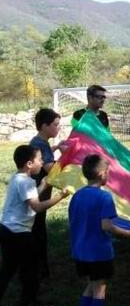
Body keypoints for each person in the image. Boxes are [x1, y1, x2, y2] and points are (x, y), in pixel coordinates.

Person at [69, 154, 130, 306]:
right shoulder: (104, 197)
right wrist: (128, 234)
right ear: (101, 174)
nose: (109, 175)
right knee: (100, 288)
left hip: (80, 252)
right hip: (99, 252)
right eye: (108, 172)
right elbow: (106, 226)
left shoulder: (77, 196)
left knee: (90, 286)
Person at [0, 145, 69, 306]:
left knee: (8, 268)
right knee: (31, 267)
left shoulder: (18, 178)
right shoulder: (26, 182)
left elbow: (29, 201)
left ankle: (24, 300)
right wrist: (60, 197)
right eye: (40, 160)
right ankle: (30, 302)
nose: (42, 162)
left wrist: (43, 186)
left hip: (7, 229)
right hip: (19, 233)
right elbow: (36, 207)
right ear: (30, 163)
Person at [29, 108, 68, 279]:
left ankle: (37, 268)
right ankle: (39, 270)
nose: (58, 128)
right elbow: (50, 169)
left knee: (37, 231)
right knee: (37, 233)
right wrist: (66, 156)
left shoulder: (40, 142)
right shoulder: (39, 143)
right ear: (44, 126)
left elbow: (44, 155)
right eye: (55, 125)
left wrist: (57, 147)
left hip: (37, 195)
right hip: (36, 197)